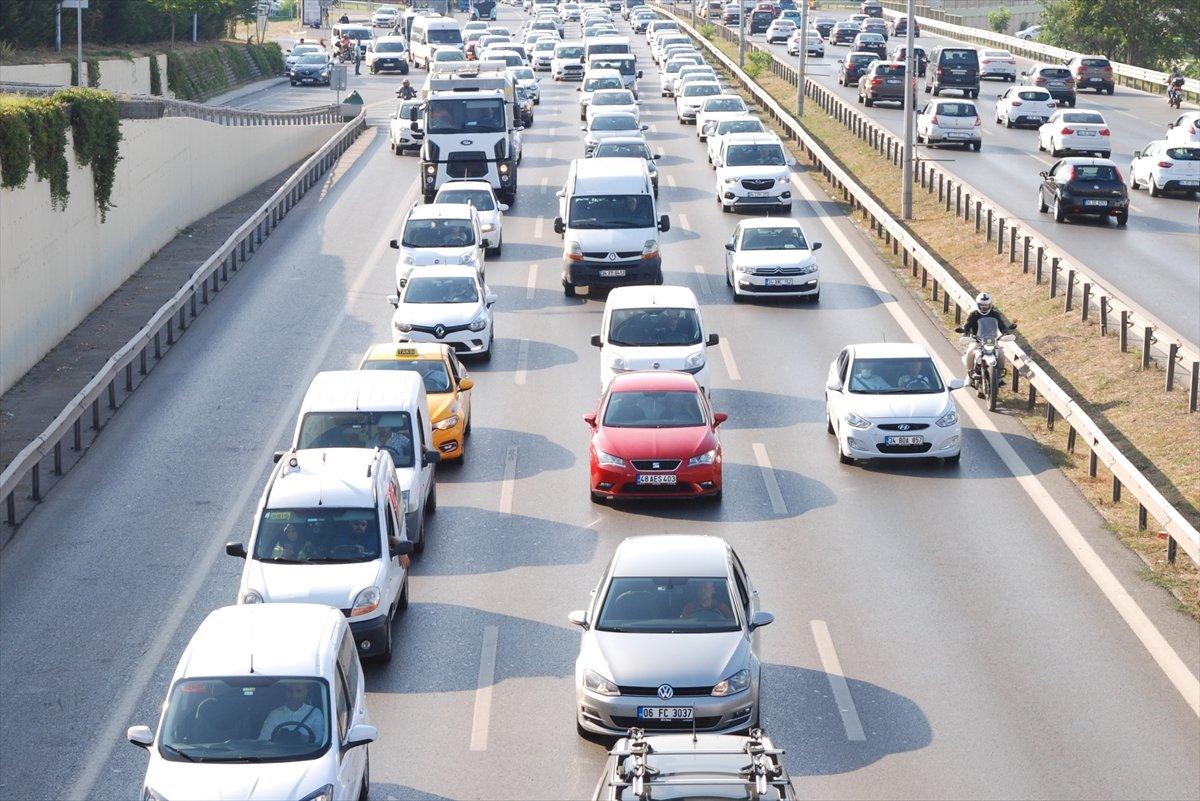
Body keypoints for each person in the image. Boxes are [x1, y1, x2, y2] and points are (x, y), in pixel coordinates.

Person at [960, 291, 1013, 379]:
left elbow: (1001, 325)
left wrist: (1005, 332)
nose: (984, 307)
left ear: (990, 305)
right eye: (982, 305)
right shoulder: (974, 314)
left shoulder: (994, 314)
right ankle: (971, 373)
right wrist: (965, 334)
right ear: (978, 305)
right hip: (977, 340)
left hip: (991, 340)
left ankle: (998, 376)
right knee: (970, 351)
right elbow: (967, 326)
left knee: (1001, 353)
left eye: (986, 305)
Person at [258, 682, 325, 743]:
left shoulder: (315, 713)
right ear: (285, 692)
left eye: (298, 691)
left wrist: (301, 738)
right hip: (279, 754)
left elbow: (319, 741)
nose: (293, 695)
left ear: (306, 692)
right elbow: (264, 740)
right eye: (290, 691)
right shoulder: (274, 714)